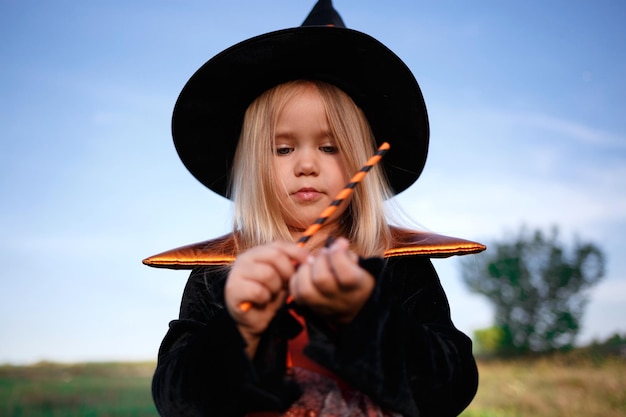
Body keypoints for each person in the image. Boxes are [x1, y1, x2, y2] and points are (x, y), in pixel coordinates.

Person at [144, 1, 486, 416]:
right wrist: (239, 326)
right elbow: (174, 401)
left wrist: (365, 318)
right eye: (284, 148)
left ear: (366, 160)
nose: (306, 165)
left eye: (329, 147)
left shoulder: (395, 264)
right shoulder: (222, 271)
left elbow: (452, 388)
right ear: (252, 164)